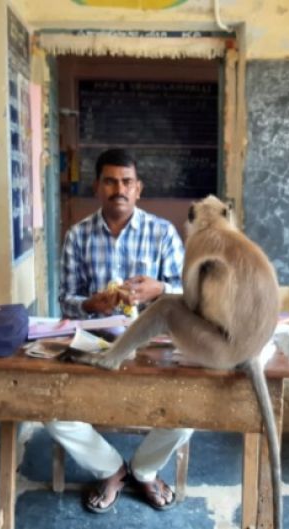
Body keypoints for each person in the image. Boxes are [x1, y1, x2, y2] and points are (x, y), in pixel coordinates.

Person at [50, 148, 192, 514]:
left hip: (155, 347)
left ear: (138, 188)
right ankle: (111, 469)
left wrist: (159, 290)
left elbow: (189, 293)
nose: (119, 189)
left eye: (127, 182)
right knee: (48, 408)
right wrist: (90, 304)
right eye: (110, 181)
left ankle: (144, 470)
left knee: (192, 409)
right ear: (98, 187)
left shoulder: (162, 233)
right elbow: (65, 299)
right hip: (96, 344)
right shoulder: (77, 236)